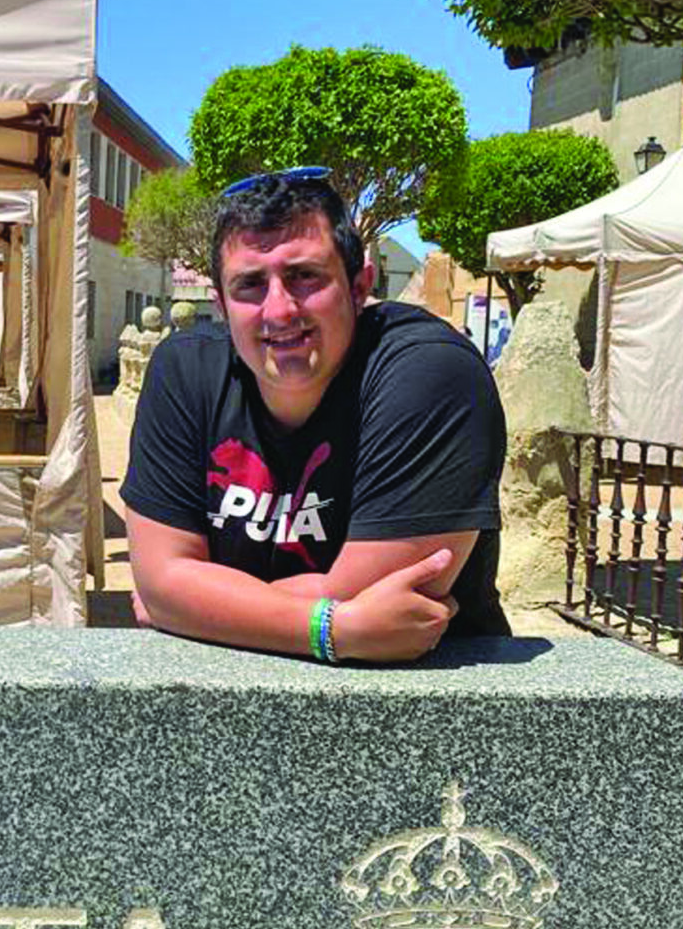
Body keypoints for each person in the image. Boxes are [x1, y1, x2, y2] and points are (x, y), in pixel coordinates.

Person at [121, 169, 509, 663]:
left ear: (359, 286)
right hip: (225, 682)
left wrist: (195, 603)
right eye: (250, 285)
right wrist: (334, 628)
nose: (279, 311)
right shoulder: (184, 371)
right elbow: (164, 583)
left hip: (422, 687)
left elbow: (387, 598)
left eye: (305, 276)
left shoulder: (431, 372)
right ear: (220, 305)